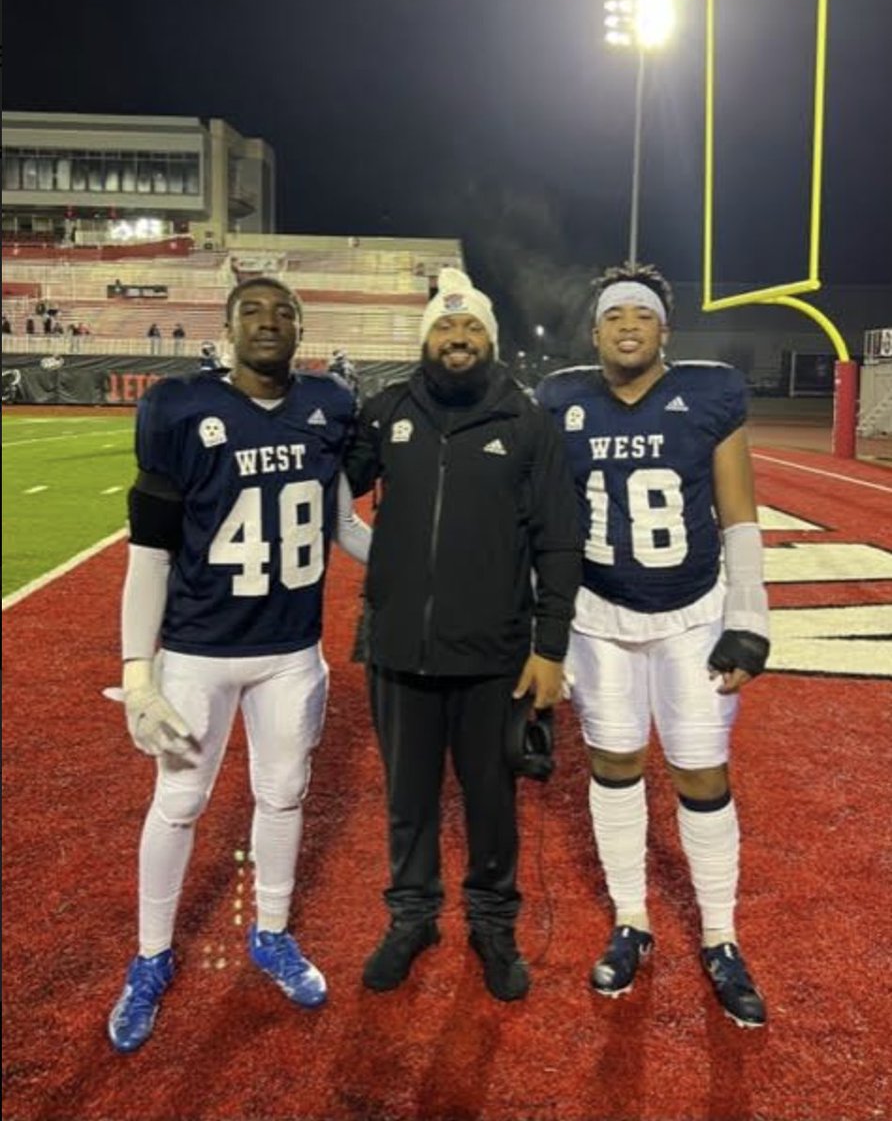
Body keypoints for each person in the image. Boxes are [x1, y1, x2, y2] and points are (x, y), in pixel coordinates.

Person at [107, 276, 371, 1053]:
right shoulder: (182, 408)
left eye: (283, 311)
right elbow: (150, 553)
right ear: (227, 328)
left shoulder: (327, 408)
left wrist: (438, 571)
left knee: (284, 794)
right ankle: (151, 956)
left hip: (290, 651)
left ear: (300, 328)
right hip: (197, 650)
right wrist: (135, 669)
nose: (269, 322)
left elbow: (345, 528)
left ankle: (273, 932)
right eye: (252, 310)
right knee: (181, 800)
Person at [536, 262, 771, 1028]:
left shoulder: (709, 393)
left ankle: (720, 933)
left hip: (692, 613)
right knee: (613, 765)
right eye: (614, 316)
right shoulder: (562, 398)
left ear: (663, 328)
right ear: (595, 330)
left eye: (642, 313)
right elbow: (546, 523)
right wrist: (548, 627)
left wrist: (749, 617)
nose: (628, 324)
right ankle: (632, 918)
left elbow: (738, 516)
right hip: (601, 616)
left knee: (701, 772)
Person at [344, 267, 581, 1002]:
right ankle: (412, 917)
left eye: (472, 327)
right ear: (426, 339)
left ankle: (491, 921)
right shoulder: (387, 411)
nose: (457, 339)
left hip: (495, 656)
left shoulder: (526, 421)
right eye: (445, 328)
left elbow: (559, 542)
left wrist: (550, 649)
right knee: (407, 801)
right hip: (398, 651)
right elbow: (324, 483)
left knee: (491, 800)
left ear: (491, 339)